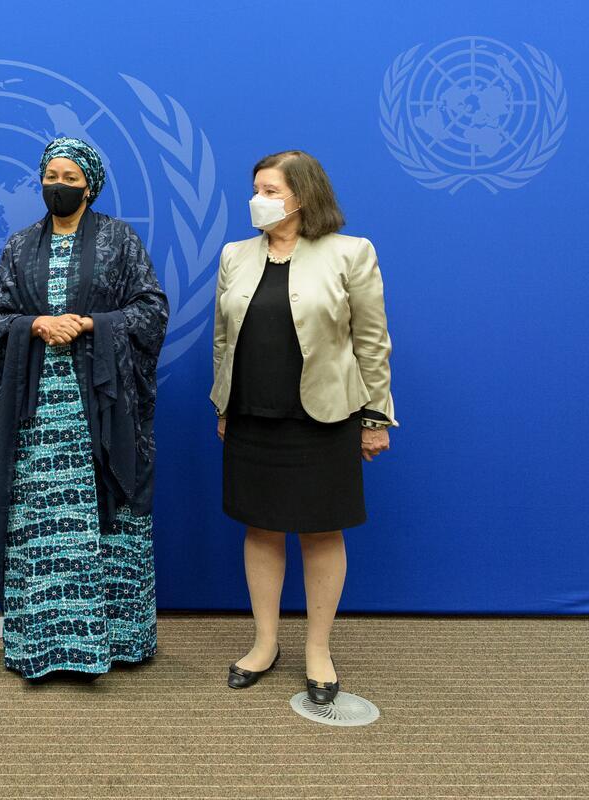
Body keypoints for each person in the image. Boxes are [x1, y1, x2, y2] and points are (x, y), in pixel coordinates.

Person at [211, 150, 395, 703]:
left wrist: (375, 417)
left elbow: (371, 341)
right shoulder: (234, 255)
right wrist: (223, 406)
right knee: (261, 528)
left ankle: (318, 649)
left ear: (303, 196)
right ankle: (265, 643)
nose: (258, 200)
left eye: (270, 191)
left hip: (326, 417)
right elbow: (223, 339)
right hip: (251, 414)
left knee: (321, 531)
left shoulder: (350, 253)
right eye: (256, 189)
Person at [0, 137, 168, 682]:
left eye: (69, 178)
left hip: (104, 410)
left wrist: (91, 324)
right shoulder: (20, 246)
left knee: (109, 520)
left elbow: (151, 309)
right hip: (39, 414)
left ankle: (118, 641)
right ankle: (42, 644)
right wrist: (37, 324)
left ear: (90, 186)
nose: (58, 186)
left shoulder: (120, 239)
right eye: (50, 176)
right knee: (41, 523)